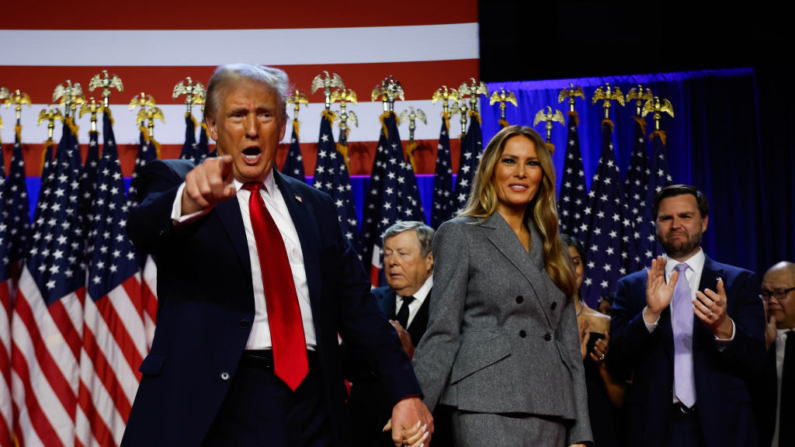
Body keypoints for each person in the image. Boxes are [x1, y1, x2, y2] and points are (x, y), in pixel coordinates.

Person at [121, 64, 431, 447]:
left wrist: (405, 393)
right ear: (213, 126)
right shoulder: (176, 180)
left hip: (315, 401)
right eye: (238, 115)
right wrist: (188, 200)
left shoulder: (315, 206)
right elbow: (142, 228)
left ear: (281, 126)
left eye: (265, 115)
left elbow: (359, 310)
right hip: (222, 398)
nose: (252, 128)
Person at [411, 125, 592, 447]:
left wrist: (581, 433)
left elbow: (568, 348)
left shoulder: (556, 247)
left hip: (552, 404)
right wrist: (416, 408)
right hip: (484, 399)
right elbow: (442, 331)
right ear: (491, 169)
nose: (521, 173)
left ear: (543, 176)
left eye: (532, 163)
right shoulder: (460, 234)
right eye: (510, 161)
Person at [609, 184, 766, 447]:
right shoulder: (632, 287)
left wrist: (724, 328)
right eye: (666, 218)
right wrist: (650, 314)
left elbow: (757, 363)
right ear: (656, 225)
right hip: (653, 428)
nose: (675, 224)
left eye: (685, 216)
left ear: (703, 222)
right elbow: (616, 364)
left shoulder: (740, 282)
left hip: (724, 428)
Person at [346, 221, 451, 447]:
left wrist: (410, 354)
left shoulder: (448, 305)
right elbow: (346, 363)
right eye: (388, 254)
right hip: (367, 432)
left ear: (429, 260)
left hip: (425, 433)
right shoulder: (369, 304)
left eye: (402, 253)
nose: (392, 262)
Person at [562, 234, 624, 447]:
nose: (569, 268)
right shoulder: (538, 321)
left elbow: (623, 398)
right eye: (560, 261)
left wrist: (604, 365)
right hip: (553, 421)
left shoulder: (606, 324)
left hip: (598, 420)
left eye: (575, 262)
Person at [752, 261, 795, 447]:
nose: (772, 301)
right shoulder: (750, 340)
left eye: (780, 292)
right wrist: (763, 346)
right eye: (766, 294)